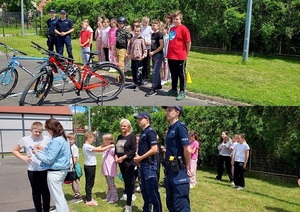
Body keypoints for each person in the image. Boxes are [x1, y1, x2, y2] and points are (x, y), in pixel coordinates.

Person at [32, 118, 70, 212]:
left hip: (55, 173)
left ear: (51, 129)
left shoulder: (56, 140)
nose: (48, 132)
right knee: (60, 197)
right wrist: (43, 149)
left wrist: (37, 152)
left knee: (58, 199)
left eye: (47, 130)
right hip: (62, 171)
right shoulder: (64, 139)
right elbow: (56, 153)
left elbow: (49, 159)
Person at [12, 122, 51, 212]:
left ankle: (46, 209)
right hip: (32, 169)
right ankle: (38, 209)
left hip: (45, 169)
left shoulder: (47, 139)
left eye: (40, 132)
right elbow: (15, 150)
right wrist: (23, 157)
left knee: (46, 191)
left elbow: (52, 151)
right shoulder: (25, 139)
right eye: (35, 132)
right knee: (36, 192)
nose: (37, 134)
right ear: (31, 130)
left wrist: (43, 149)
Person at [163, 106, 191, 212]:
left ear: (177, 113)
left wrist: (186, 166)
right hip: (170, 170)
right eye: (166, 110)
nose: (167, 112)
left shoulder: (180, 127)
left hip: (179, 170)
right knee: (171, 203)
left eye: (170, 110)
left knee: (181, 204)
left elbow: (187, 150)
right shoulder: (171, 128)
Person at [134, 112, 162, 212]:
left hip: (149, 165)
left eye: (140, 119)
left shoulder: (150, 132)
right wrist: (138, 157)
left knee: (153, 192)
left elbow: (154, 149)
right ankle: (147, 209)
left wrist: (140, 158)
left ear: (147, 119)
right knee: (144, 191)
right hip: (143, 165)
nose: (138, 121)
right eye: (138, 119)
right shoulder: (143, 132)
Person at [164, 11, 191, 101]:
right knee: (173, 74)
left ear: (180, 19)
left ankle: (182, 91)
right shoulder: (172, 29)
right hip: (171, 55)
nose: (175, 21)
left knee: (181, 74)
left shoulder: (184, 29)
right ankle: (174, 89)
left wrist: (186, 53)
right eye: (174, 19)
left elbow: (188, 42)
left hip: (180, 56)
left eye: (177, 19)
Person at [82, 131, 114, 206]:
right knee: (89, 183)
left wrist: (104, 145)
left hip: (89, 166)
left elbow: (98, 148)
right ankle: (88, 200)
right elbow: (100, 150)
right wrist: (110, 146)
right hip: (90, 166)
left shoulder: (87, 146)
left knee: (90, 182)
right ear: (89, 138)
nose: (93, 140)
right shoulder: (87, 146)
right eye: (93, 138)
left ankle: (89, 197)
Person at [115, 119, 136, 212]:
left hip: (129, 163)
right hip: (121, 163)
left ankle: (129, 204)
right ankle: (127, 196)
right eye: (121, 126)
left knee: (129, 182)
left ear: (128, 127)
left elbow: (133, 150)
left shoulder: (132, 137)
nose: (122, 127)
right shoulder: (119, 137)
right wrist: (116, 157)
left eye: (124, 126)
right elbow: (117, 149)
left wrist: (123, 157)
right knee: (125, 181)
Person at [145, 19, 164, 97]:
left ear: (158, 26)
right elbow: (152, 45)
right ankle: (158, 85)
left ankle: (153, 88)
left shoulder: (160, 35)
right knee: (156, 70)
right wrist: (150, 52)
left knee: (155, 71)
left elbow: (162, 46)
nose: (152, 26)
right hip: (153, 54)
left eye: (154, 25)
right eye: (152, 25)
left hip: (158, 55)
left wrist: (154, 52)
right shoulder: (152, 34)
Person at [126, 24, 147, 92]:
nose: (136, 32)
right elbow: (129, 47)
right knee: (134, 71)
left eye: (138, 31)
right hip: (133, 58)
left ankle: (139, 84)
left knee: (138, 72)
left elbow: (145, 50)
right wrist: (128, 53)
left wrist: (143, 56)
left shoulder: (141, 40)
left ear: (140, 31)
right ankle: (135, 82)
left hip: (139, 59)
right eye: (135, 31)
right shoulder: (132, 39)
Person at [101, 133, 118, 204]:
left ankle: (115, 197)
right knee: (109, 184)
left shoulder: (112, 149)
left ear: (109, 141)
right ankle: (109, 196)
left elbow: (116, 156)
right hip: (105, 169)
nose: (103, 141)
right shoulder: (106, 148)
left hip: (110, 169)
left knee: (111, 184)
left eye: (105, 140)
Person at [67, 133, 83, 204]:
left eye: (71, 139)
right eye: (68, 139)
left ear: (74, 140)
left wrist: (71, 167)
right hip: (68, 166)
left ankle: (78, 196)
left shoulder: (74, 147)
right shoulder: (67, 147)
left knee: (75, 181)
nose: (70, 141)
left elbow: (75, 158)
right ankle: (76, 195)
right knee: (72, 181)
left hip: (74, 167)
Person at [140, 16, 153, 85]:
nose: (145, 24)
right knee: (141, 63)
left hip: (147, 47)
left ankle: (147, 78)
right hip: (141, 48)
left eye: (146, 23)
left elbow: (153, 36)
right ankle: (142, 77)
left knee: (147, 63)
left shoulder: (150, 28)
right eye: (144, 22)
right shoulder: (140, 28)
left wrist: (150, 42)